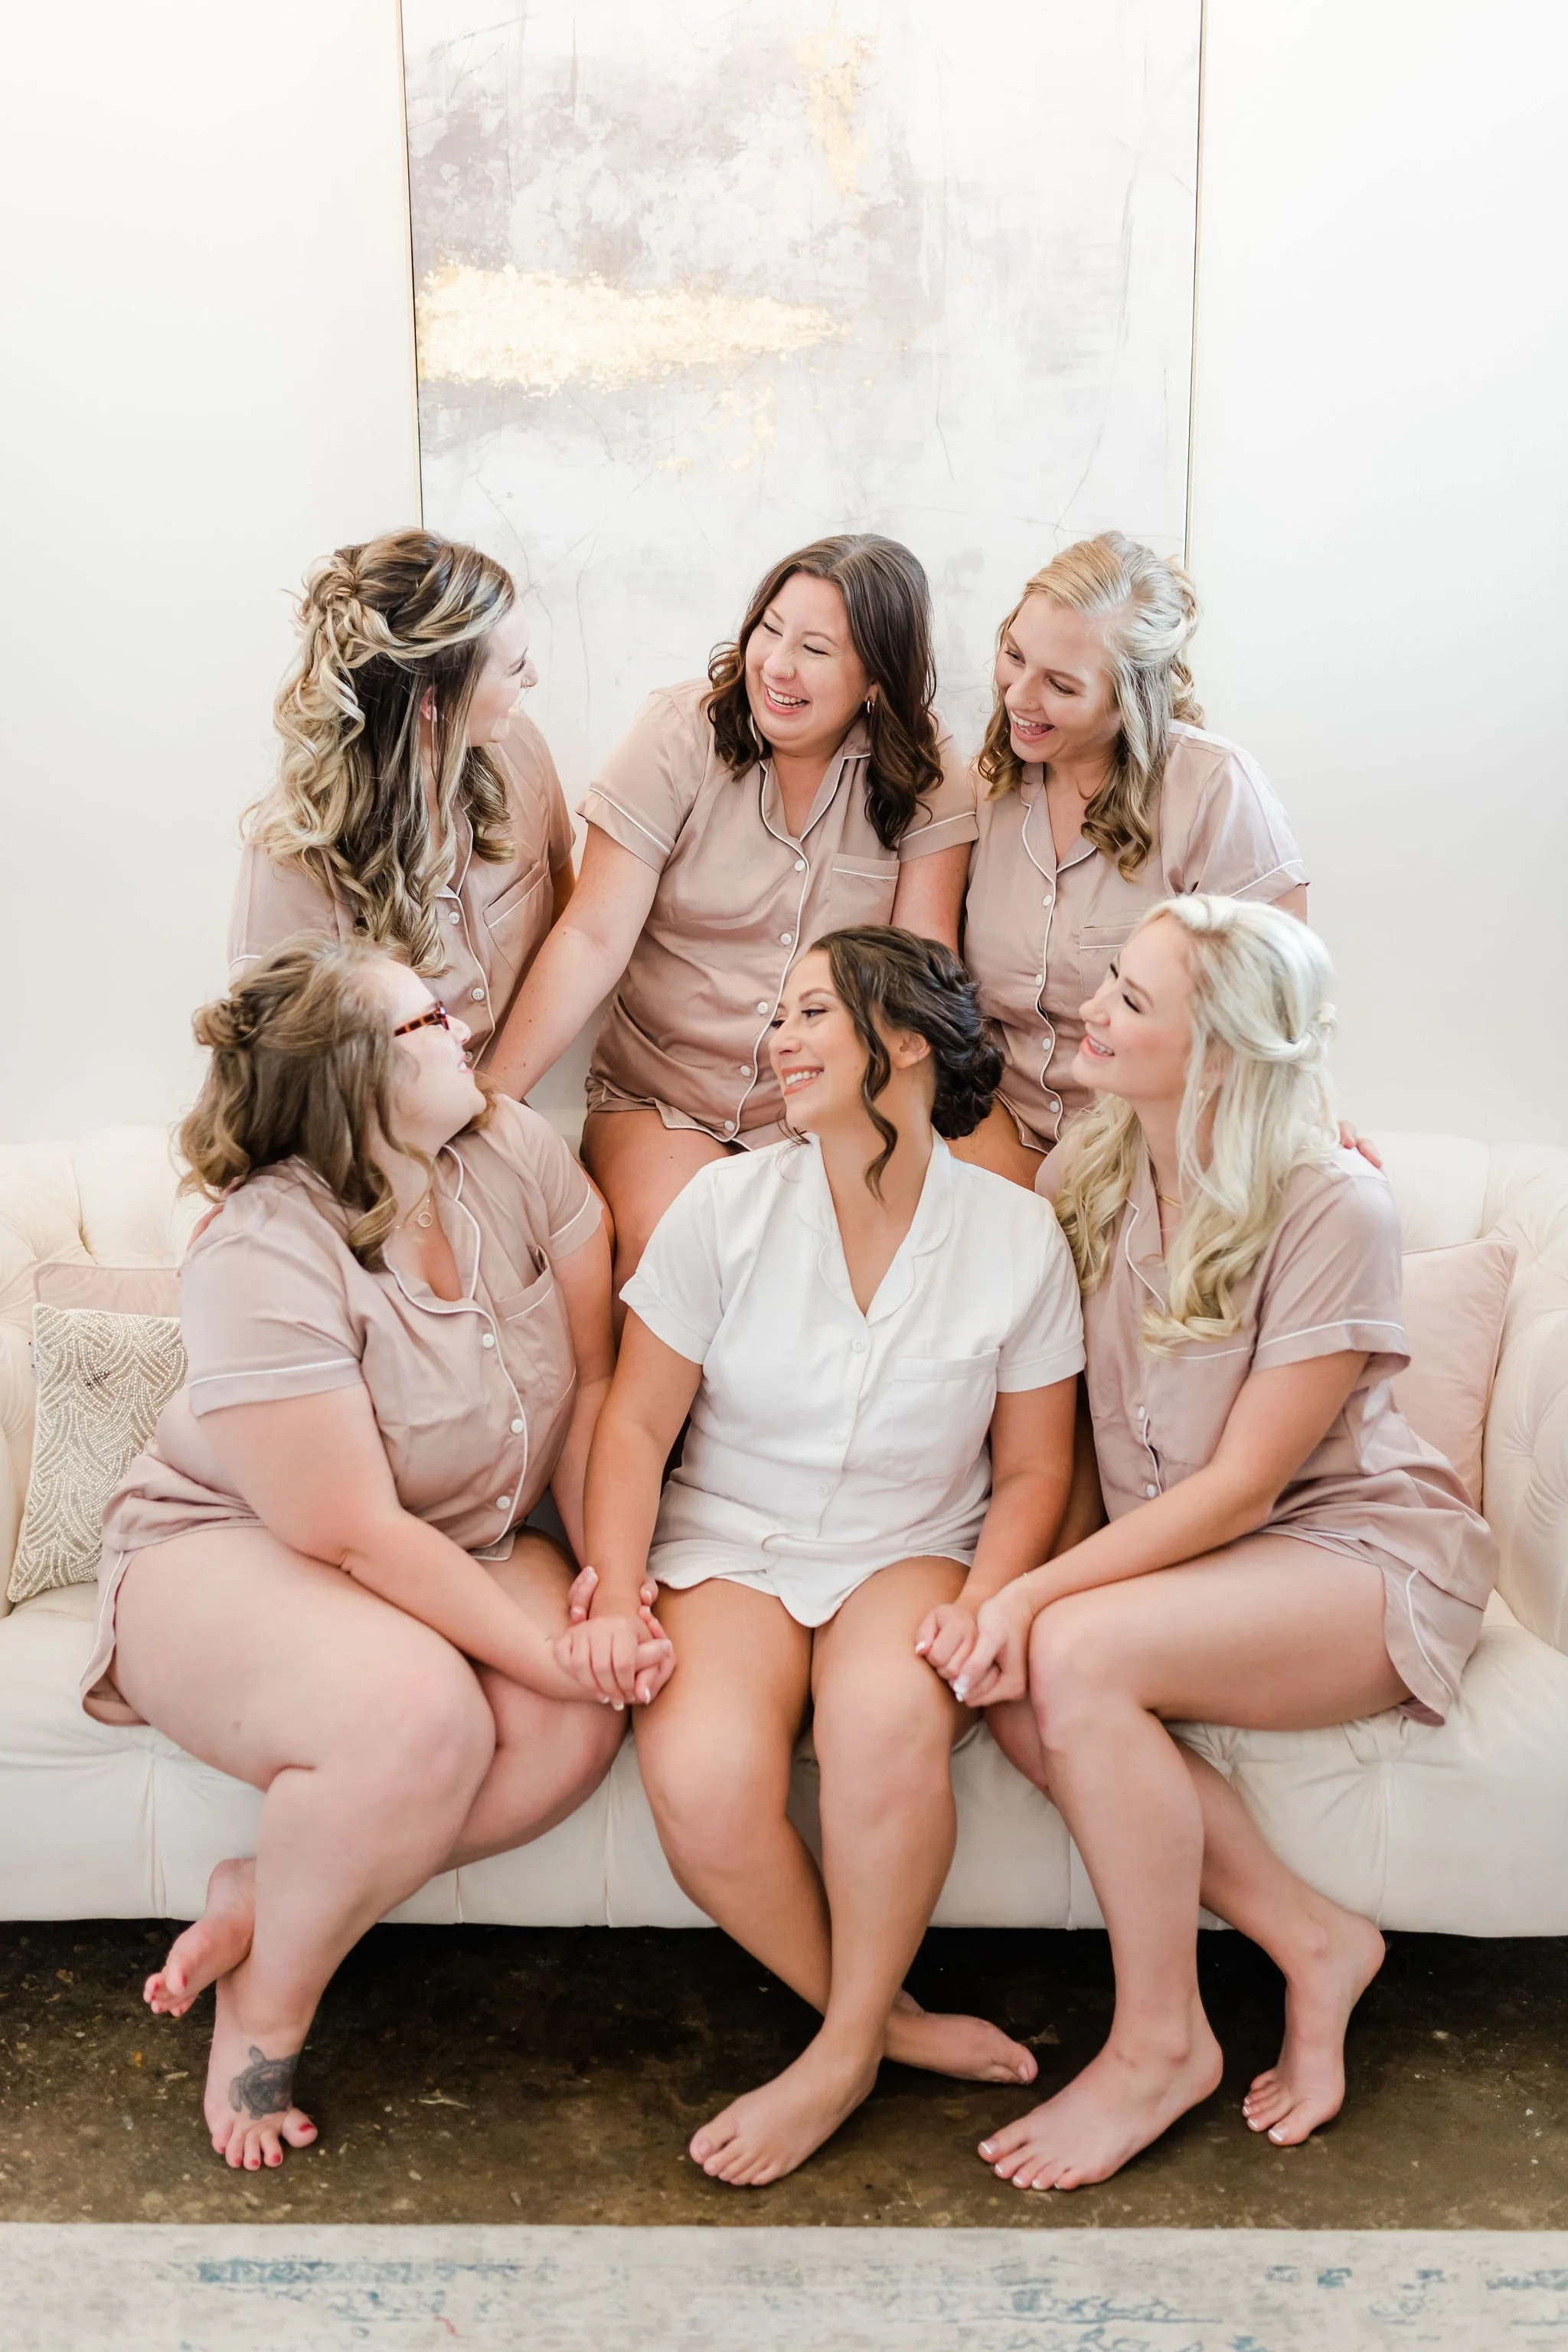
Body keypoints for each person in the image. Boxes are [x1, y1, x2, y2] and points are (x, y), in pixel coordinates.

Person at [926, 895, 1498, 2192]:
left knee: (1062, 1650)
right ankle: (1311, 1938)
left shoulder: (1332, 1201)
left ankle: (1157, 2043)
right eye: (1108, 983)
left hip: (1353, 1554)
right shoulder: (1092, 1165)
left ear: (1224, 1052)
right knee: (1019, 1680)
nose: (1092, 1010)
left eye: (1131, 999)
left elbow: (1243, 1486)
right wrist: (996, 1595)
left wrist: (1036, 1601)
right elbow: (1059, 1436)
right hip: (1190, 1561)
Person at [83, 936, 667, 2173]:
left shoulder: (512, 1150)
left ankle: (265, 1890)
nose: (461, 1024)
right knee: (423, 1721)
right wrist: (552, 1651)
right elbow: (346, 1527)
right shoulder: (263, 1245)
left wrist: (607, 1596)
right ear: (356, 1076)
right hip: (233, 1539)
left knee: (575, 1728)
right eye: (425, 1021)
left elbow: (601, 1375)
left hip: (455, 1535)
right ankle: (265, 2015)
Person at [564, 928, 1085, 2187]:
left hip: (912, 1543)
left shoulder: (1017, 1238)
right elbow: (633, 1423)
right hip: (727, 1535)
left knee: (881, 1728)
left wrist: (985, 1601)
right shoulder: (725, 1206)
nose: (778, 1040)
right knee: (701, 1779)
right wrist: (619, 1588)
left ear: (902, 1041)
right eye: (777, 1016)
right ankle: (890, 2025)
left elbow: (1030, 1473)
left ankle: (839, 2053)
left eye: (811, 1014)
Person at [483, 536, 979, 1301]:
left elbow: (918, 971)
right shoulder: (681, 729)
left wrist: (898, 1142)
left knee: (834, 1276)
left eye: (814, 648)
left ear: (875, 679)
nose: (776, 665)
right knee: (674, 1243)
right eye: (768, 629)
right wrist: (489, 1104)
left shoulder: (925, 766)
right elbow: (591, 934)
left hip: (827, 1103)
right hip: (665, 1098)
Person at [954, 533, 1309, 1190]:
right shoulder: (982, 788)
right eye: (1013, 656)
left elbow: (1274, 1020)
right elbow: (939, 1001)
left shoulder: (1214, 790)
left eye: (1060, 684)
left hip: (1153, 1155)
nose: (1018, 697)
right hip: (992, 1135)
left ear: (1128, 700)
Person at [230, 530, 575, 1061]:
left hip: (497, 1103)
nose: (533, 676)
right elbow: (279, 1066)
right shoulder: (297, 849)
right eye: (512, 667)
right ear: (434, 702)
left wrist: (499, 1101)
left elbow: (565, 911)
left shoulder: (521, 749)